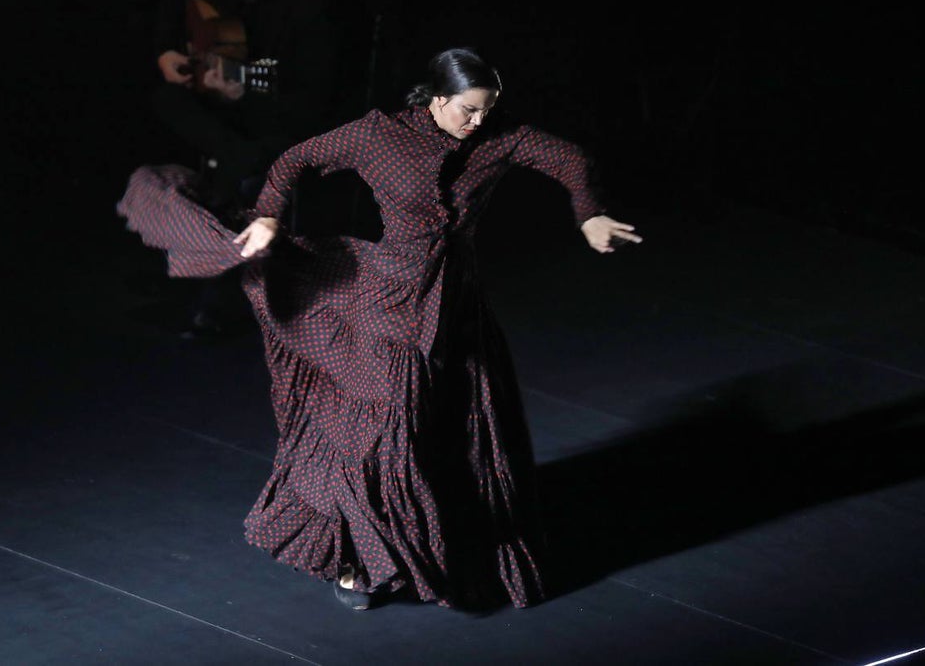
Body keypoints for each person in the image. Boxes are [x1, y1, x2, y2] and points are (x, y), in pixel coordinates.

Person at [117, 47, 641, 611]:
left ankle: (449, 543)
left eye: (488, 110)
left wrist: (588, 213)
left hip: (456, 303)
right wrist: (268, 213)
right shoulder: (379, 136)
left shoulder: (501, 137)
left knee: (453, 423)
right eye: (468, 109)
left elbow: (567, 157)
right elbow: (297, 159)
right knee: (381, 427)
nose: (479, 121)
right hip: (388, 298)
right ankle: (357, 560)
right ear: (437, 99)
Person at [150, 0, 342, 339]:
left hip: (285, 121)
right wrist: (167, 49)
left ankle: (215, 299)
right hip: (238, 130)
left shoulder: (308, 9)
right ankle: (235, 159)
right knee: (165, 98)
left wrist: (241, 97)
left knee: (242, 171)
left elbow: (309, 104)